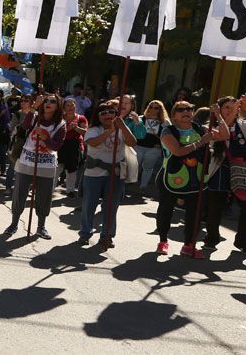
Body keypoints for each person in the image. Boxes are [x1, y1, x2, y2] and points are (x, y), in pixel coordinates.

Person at [156, 101, 227, 258]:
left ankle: (188, 245)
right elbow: (178, 151)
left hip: (197, 177)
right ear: (174, 115)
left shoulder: (198, 128)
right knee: (166, 210)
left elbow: (224, 135)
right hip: (172, 177)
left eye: (190, 109)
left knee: (194, 213)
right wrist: (201, 142)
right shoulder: (168, 131)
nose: (186, 111)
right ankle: (162, 241)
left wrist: (219, 116)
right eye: (181, 109)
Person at [5, 93, 66, 239]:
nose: (48, 103)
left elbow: (57, 146)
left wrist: (46, 138)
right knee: (19, 194)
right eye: (46, 101)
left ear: (58, 106)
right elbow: (24, 127)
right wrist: (33, 108)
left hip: (46, 165)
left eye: (52, 101)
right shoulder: (35, 116)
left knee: (44, 197)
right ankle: (14, 224)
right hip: (27, 161)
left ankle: (41, 226)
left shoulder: (61, 124)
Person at [78, 102, 137, 246]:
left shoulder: (122, 128)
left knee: (111, 206)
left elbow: (132, 142)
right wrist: (110, 131)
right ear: (98, 117)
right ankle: (85, 233)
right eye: (103, 113)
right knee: (89, 205)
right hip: (94, 173)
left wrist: (122, 127)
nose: (108, 115)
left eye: (111, 112)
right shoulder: (93, 129)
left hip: (115, 174)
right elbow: (93, 142)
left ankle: (107, 235)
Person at [205, 95, 246, 253]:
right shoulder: (211, 125)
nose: (231, 110)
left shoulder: (243, 125)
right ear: (219, 108)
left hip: (242, 169)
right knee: (216, 206)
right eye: (227, 107)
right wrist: (226, 113)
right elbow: (222, 134)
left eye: (234, 107)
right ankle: (211, 238)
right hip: (220, 167)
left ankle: (244, 241)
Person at [135, 100, 169, 197]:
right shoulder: (141, 118)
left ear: (160, 110)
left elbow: (168, 134)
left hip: (154, 148)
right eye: (151, 107)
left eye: (156, 108)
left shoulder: (165, 122)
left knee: (148, 168)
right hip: (139, 145)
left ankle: (143, 187)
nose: (153, 109)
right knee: (135, 165)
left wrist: (161, 144)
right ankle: (131, 183)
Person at [58, 98, 88, 198]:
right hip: (61, 145)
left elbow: (85, 132)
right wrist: (68, 128)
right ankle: (50, 188)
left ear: (75, 106)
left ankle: (70, 190)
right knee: (57, 167)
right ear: (64, 107)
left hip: (74, 146)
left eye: (72, 105)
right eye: (68, 105)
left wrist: (76, 128)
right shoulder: (60, 117)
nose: (70, 107)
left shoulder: (81, 118)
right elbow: (56, 132)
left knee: (72, 169)